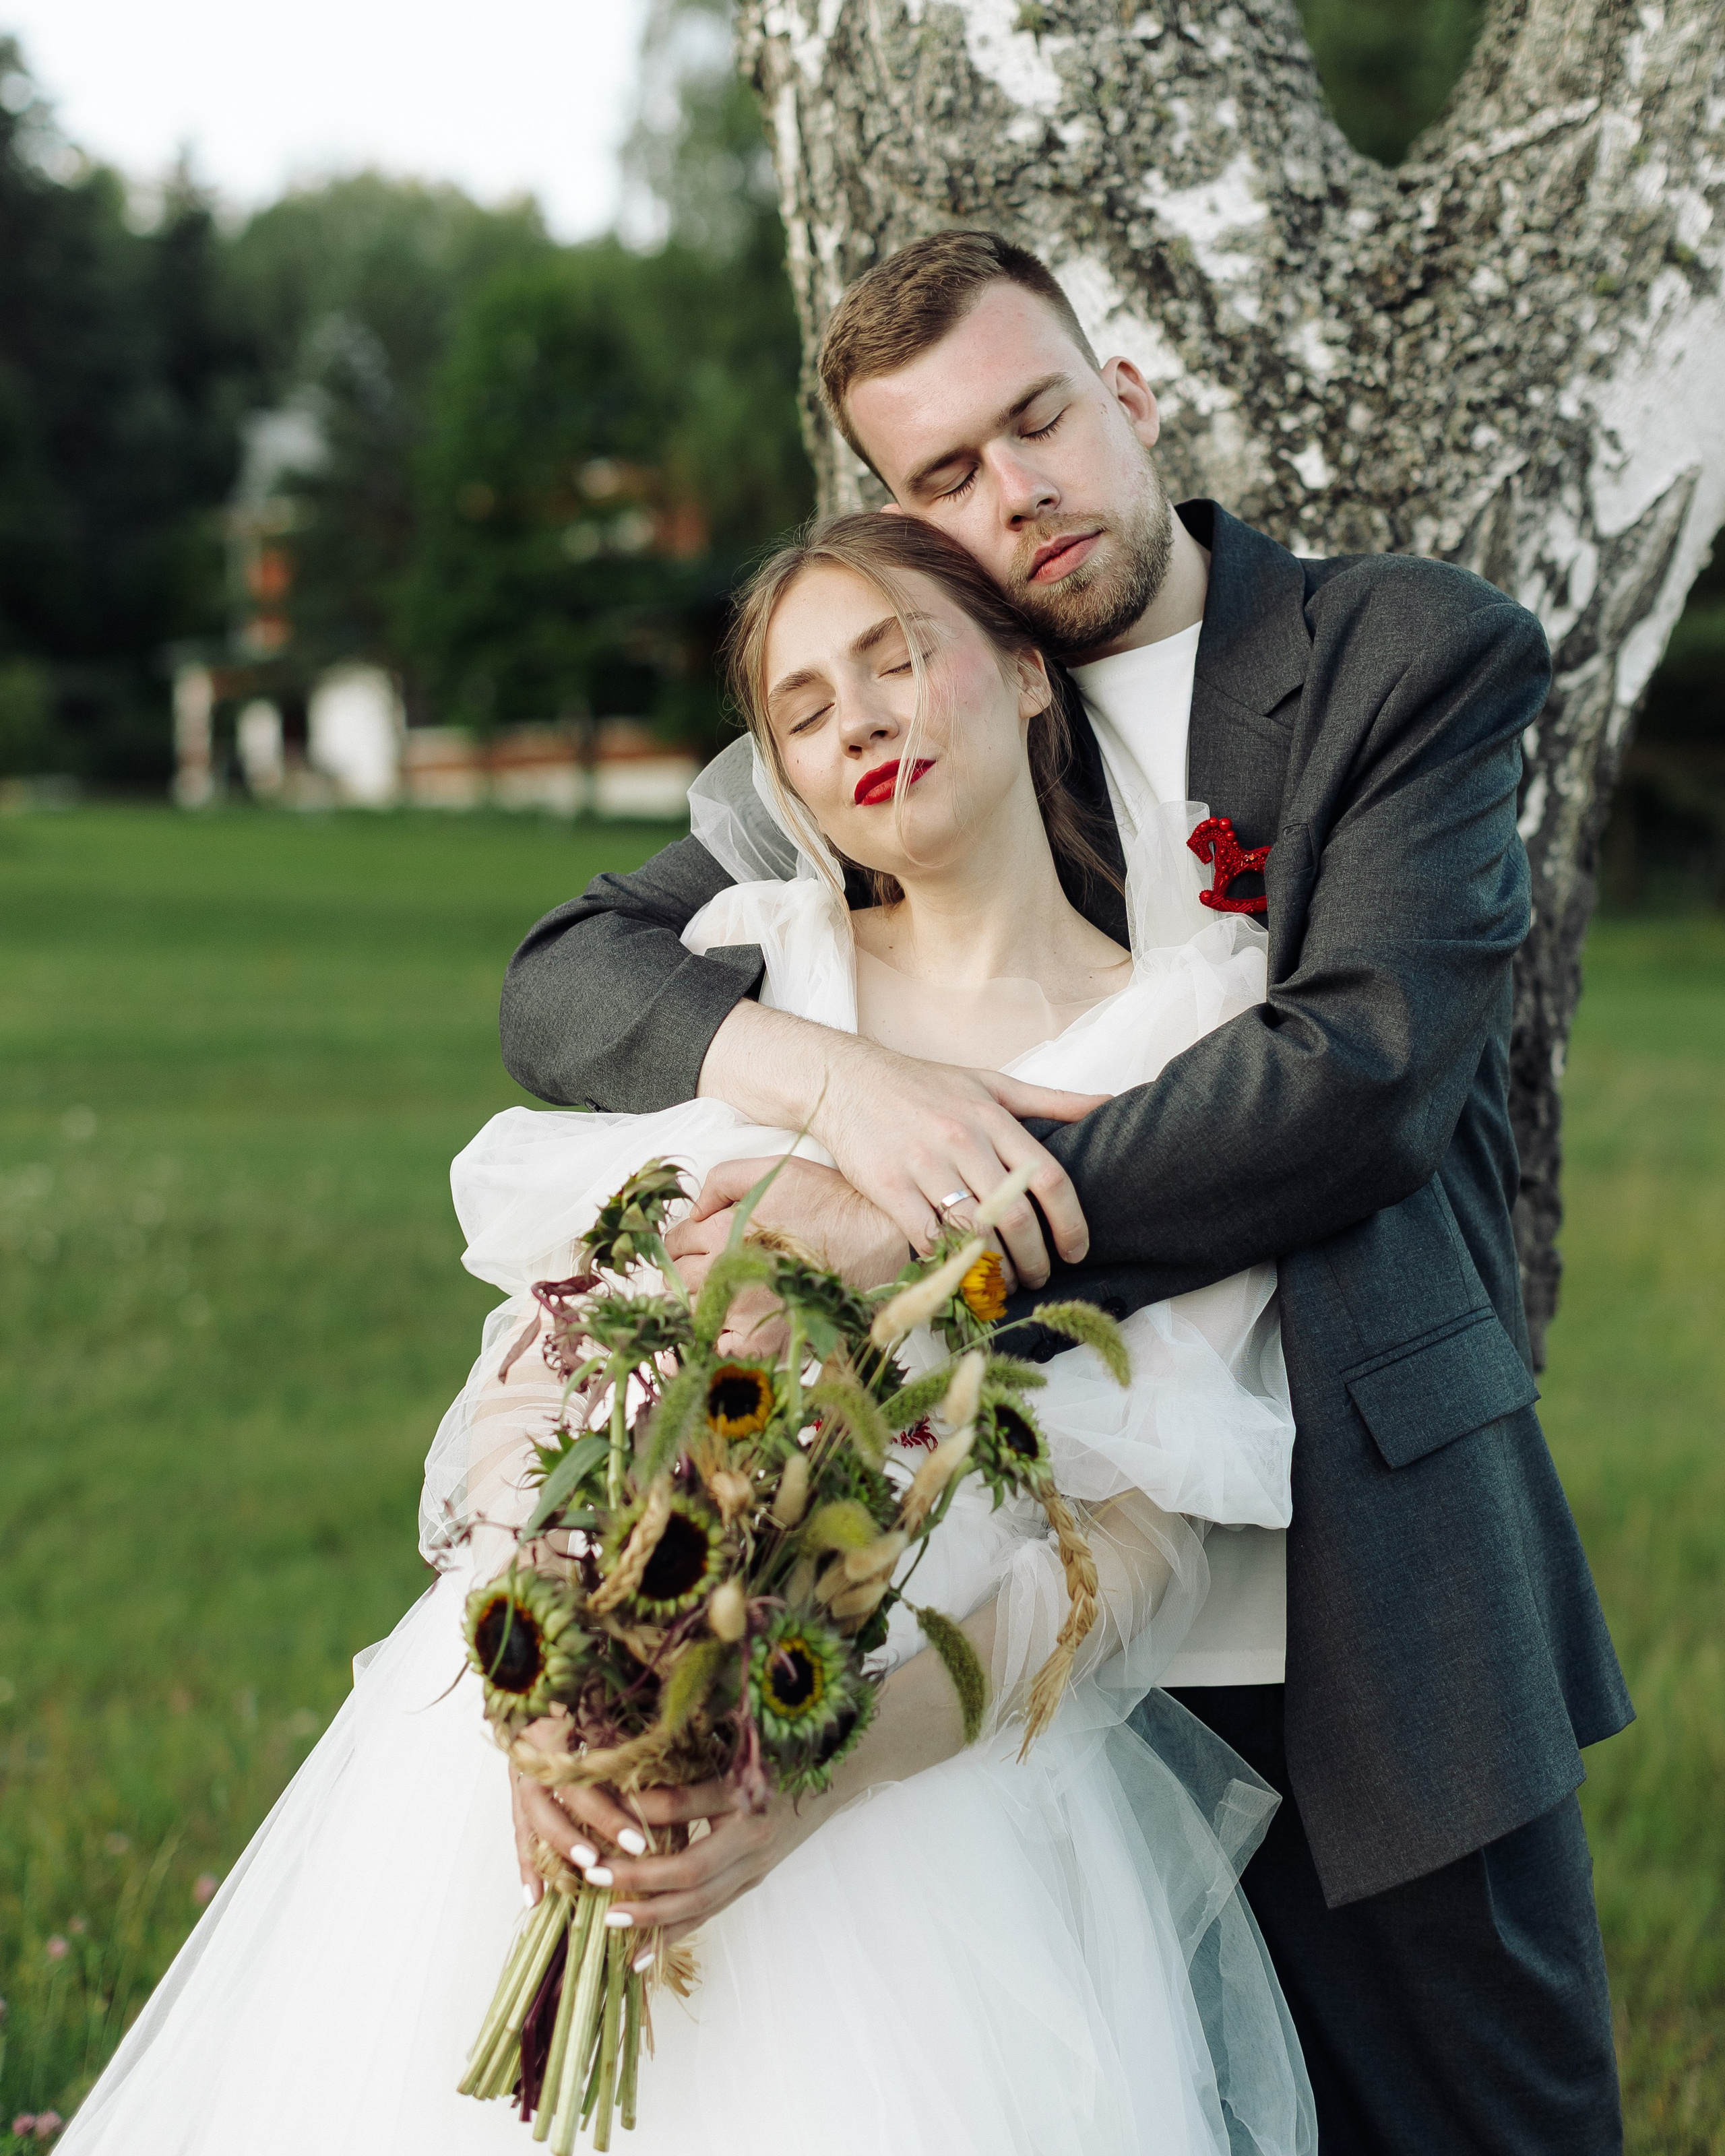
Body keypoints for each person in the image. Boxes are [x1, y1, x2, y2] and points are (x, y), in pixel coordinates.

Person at [498, 230, 1633, 2154]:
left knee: (1483, 2121)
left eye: (1033, 422)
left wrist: (923, 1229)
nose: (1007, 492)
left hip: (1357, 1571)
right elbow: (569, 977)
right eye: (938, 476)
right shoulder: (919, 693)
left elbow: (1362, 1083)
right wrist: (854, 1090)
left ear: (1128, 399)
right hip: (1008, 1612)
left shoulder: (1401, 655)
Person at [60, 512, 1315, 2155]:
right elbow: (544, 1360)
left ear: (1022, 672)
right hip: (566, 1728)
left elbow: (1132, 1543)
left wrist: (813, 1770)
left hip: (914, 1788)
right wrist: (542, 1684)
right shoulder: (750, 981)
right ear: (781, 780)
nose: (857, 720)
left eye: (895, 657)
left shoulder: (1186, 1029)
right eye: (801, 709)